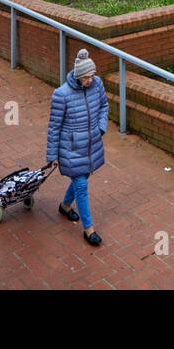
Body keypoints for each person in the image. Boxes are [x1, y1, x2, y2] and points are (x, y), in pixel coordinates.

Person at [46, 49, 108, 247]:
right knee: (81, 185)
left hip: (91, 144)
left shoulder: (97, 85)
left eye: (91, 76)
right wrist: (52, 154)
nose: (90, 80)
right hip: (70, 148)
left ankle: (65, 206)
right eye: (86, 77)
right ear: (78, 76)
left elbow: (104, 106)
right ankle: (89, 229)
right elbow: (54, 126)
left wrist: (101, 127)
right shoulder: (61, 94)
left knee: (83, 177)